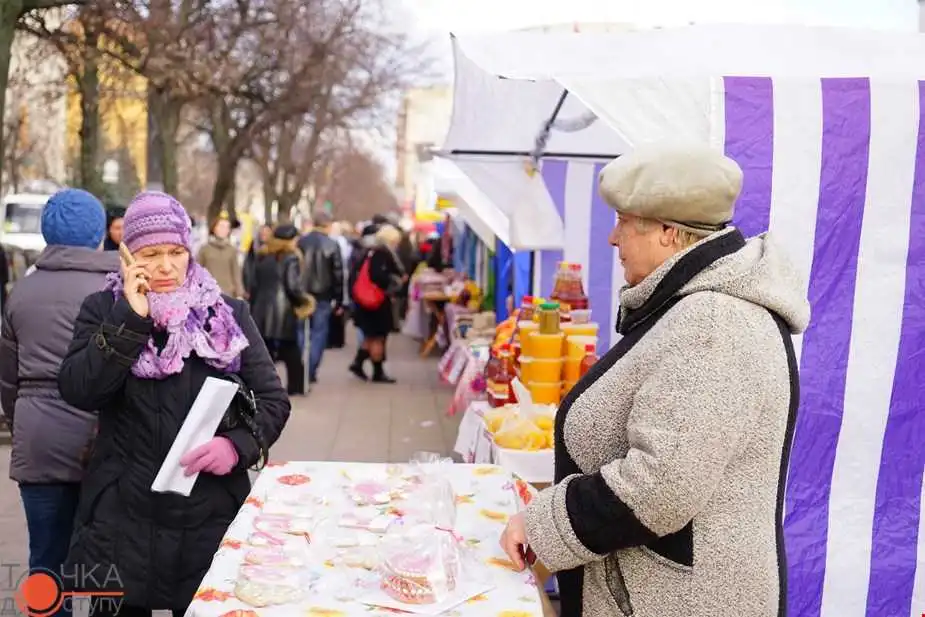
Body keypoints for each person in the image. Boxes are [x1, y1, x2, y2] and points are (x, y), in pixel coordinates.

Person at [499, 143, 811, 617]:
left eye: (623, 221)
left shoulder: (715, 324)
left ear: (668, 231)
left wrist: (544, 525)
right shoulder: (699, 308)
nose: (612, 238)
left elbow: (661, 486)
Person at [56, 191, 290, 617]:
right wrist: (131, 319)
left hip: (207, 513)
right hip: (121, 517)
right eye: (151, 254)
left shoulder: (226, 315)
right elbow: (80, 390)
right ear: (128, 256)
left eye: (176, 252)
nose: (166, 266)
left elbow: (273, 400)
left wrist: (237, 446)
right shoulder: (103, 309)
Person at [0, 189, 119, 583]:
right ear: (99, 233)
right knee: (108, 568)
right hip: (105, 440)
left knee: (46, 561)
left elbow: (8, 378)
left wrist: (21, 422)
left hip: (39, 440)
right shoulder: (119, 289)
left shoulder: (22, 292)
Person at [250, 224, 313, 395]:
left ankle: (261, 387)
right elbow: (292, 286)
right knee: (291, 350)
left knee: (266, 351)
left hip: (261, 310)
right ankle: (296, 386)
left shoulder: (262, 256)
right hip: (282, 311)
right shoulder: (290, 258)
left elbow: (253, 284)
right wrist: (305, 301)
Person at [347, 224, 405, 383]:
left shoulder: (369, 251)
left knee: (370, 336)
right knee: (378, 337)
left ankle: (358, 363)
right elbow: (378, 276)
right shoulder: (382, 253)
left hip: (364, 300)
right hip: (376, 301)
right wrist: (393, 282)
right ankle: (377, 372)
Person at [297, 209, 344, 384]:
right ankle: (310, 369)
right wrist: (339, 299)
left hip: (301, 294)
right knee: (319, 333)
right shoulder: (332, 244)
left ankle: (301, 369)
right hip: (323, 295)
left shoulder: (301, 242)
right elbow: (338, 274)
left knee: (301, 332)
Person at [197, 215, 245, 298]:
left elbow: (236, 273)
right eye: (221, 226)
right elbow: (197, 271)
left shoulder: (232, 250)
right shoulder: (205, 249)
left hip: (228, 294)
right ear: (214, 228)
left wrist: (239, 293)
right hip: (208, 293)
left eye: (227, 227)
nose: (224, 229)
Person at [243, 224, 272, 298]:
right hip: (254, 285)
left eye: (266, 231)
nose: (264, 233)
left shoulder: (273, 249)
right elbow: (247, 267)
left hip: (268, 287)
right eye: (262, 231)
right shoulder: (254, 246)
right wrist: (247, 287)